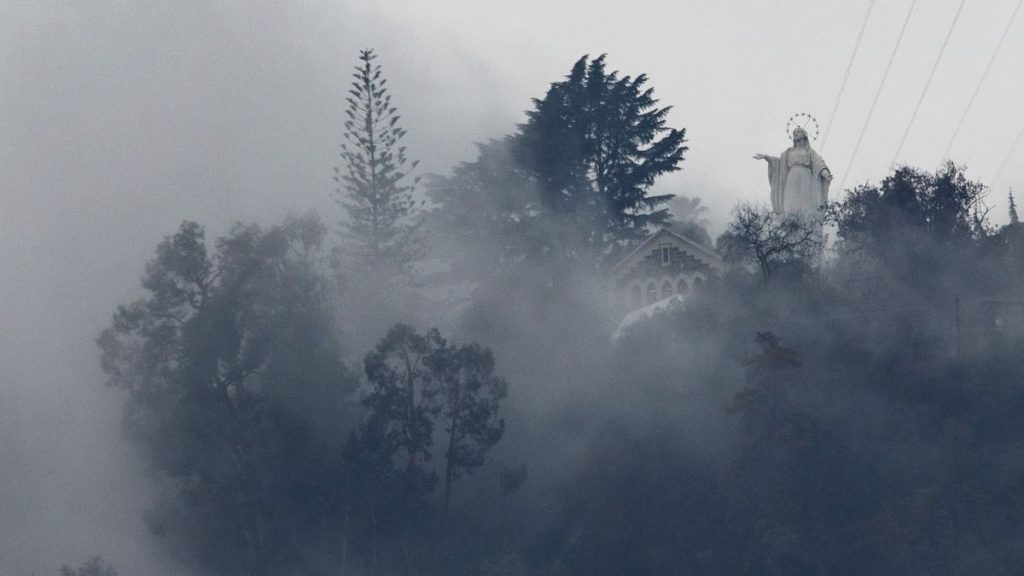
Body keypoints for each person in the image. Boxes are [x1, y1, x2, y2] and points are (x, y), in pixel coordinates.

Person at [753, 127, 832, 215]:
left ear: (804, 135)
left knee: (805, 203)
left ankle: (806, 224)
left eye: (798, 132)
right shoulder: (789, 152)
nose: (795, 134)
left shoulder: (809, 151)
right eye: (794, 133)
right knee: (790, 203)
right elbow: (779, 163)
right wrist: (766, 157)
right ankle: (790, 225)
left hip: (805, 178)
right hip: (791, 178)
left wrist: (825, 173)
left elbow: (818, 163)